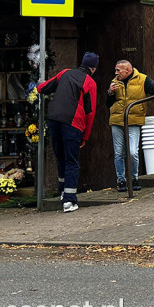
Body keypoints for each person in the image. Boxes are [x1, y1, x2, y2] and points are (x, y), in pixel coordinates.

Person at [36, 52, 99, 212]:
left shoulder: (64, 73)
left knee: (60, 157)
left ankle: (63, 192)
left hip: (54, 119)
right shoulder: (90, 82)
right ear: (93, 68)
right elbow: (90, 112)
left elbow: (42, 88)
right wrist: (85, 136)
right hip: (73, 123)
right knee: (71, 161)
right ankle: (69, 201)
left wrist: (38, 83)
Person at [107, 59, 154, 191]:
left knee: (133, 151)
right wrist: (110, 92)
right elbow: (108, 103)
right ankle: (121, 180)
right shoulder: (115, 81)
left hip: (133, 120)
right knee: (119, 153)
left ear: (127, 71)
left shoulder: (142, 79)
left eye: (118, 70)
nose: (116, 73)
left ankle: (134, 179)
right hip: (116, 120)